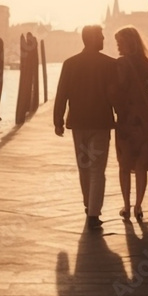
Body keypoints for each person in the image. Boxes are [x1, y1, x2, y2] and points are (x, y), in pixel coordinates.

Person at [53, 25, 117, 230]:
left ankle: (88, 205)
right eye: (100, 35)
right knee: (97, 169)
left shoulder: (70, 63)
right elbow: (115, 95)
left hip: (79, 123)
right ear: (91, 38)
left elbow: (61, 93)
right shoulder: (109, 64)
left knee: (84, 168)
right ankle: (93, 213)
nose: (104, 38)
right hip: (100, 123)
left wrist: (58, 121)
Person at [113, 25, 148, 221]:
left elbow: (116, 92)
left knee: (124, 165)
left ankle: (126, 205)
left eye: (120, 43)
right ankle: (138, 206)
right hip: (144, 120)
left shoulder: (120, 65)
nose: (118, 47)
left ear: (128, 43)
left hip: (126, 120)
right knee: (142, 165)